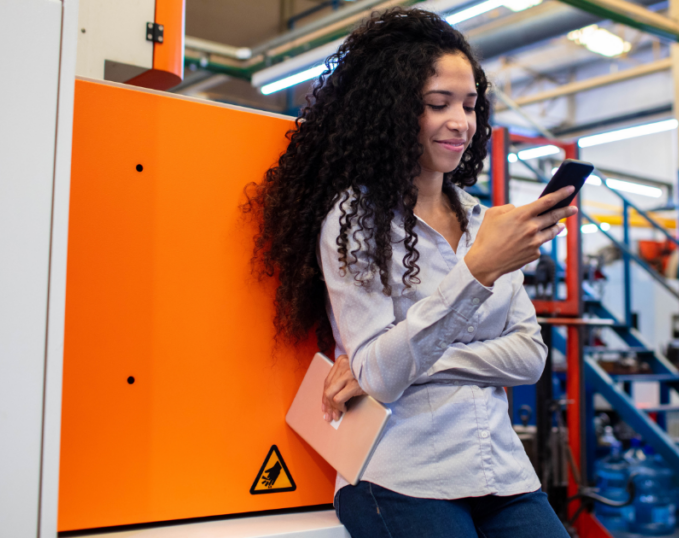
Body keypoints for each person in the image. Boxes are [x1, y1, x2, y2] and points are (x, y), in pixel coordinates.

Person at [244, 8, 573, 538]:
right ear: (393, 112)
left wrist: (416, 363)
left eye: (469, 105)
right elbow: (378, 375)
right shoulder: (354, 222)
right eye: (438, 104)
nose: (461, 122)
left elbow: (529, 357)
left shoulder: (486, 221)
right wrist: (478, 271)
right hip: (399, 476)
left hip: (502, 473)